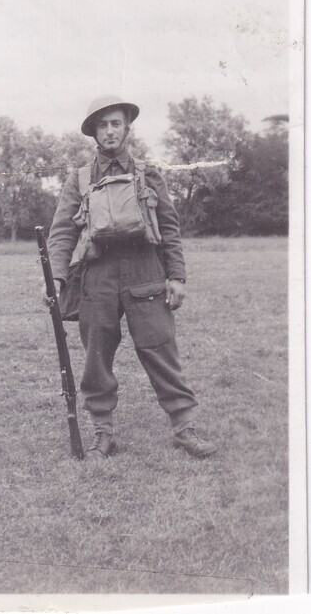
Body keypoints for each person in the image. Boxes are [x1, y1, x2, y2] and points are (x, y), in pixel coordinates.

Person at [45, 96, 216, 461]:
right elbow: (62, 233)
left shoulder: (148, 172)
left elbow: (168, 227)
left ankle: (184, 428)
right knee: (96, 357)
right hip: (97, 277)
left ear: (127, 128)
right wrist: (56, 279)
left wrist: (177, 276)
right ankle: (102, 433)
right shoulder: (78, 180)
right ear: (93, 132)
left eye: (116, 123)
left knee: (161, 351)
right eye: (103, 125)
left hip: (146, 273)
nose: (110, 131)